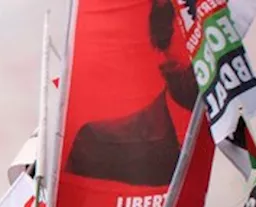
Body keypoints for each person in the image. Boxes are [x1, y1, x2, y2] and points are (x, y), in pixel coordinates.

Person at [64, 0, 197, 187]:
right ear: (160, 50)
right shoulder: (100, 142)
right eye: (193, 37)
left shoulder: (243, 124)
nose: (203, 55)